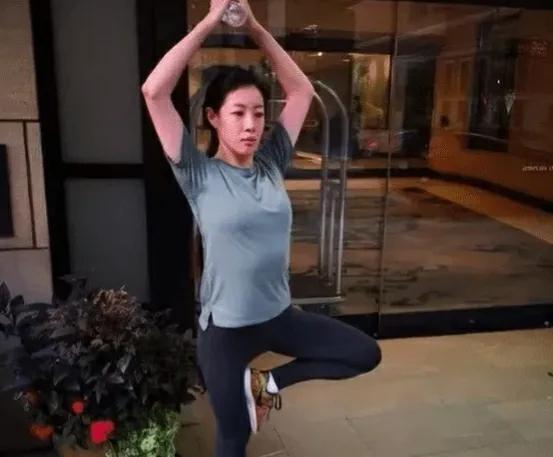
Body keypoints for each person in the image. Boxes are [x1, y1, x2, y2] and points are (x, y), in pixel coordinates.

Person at [141, 1, 382, 456]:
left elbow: (301, 91)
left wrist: (253, 25)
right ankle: (252, 391)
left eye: (258, 113)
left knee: (364, 354)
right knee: (234, 438)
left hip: (279, 316)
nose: (251, 125)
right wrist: (210, 20)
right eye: (238, 113)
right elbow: (154, 91)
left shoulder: (271, 163)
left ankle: (267, 383)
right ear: (213, 117)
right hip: (226, 330)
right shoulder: (197, 173)